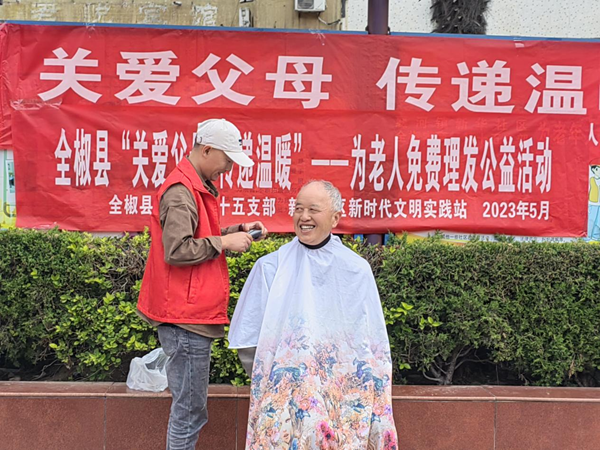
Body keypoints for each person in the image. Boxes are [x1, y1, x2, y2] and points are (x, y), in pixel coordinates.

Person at [229, 180, 398, 450]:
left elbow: (372, 342)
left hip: (343, 398)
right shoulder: (271, 267)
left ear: (335, 218)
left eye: (313, 210)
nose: (304, 217)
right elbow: (249, 339)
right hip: (285, 400)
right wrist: (275, 383)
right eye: (298, 209)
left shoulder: (356, 270)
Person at [137, 118, 267, 450]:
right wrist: (224, 243)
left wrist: (237, 230)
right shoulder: (181, 193)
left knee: (190, 409)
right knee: (189, 411)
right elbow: (177, 249)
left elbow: (197, 236)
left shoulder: (191, 187)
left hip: (188, 316)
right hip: (185, 319)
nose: (228, 169)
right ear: (207, 150)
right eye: (227, 159)